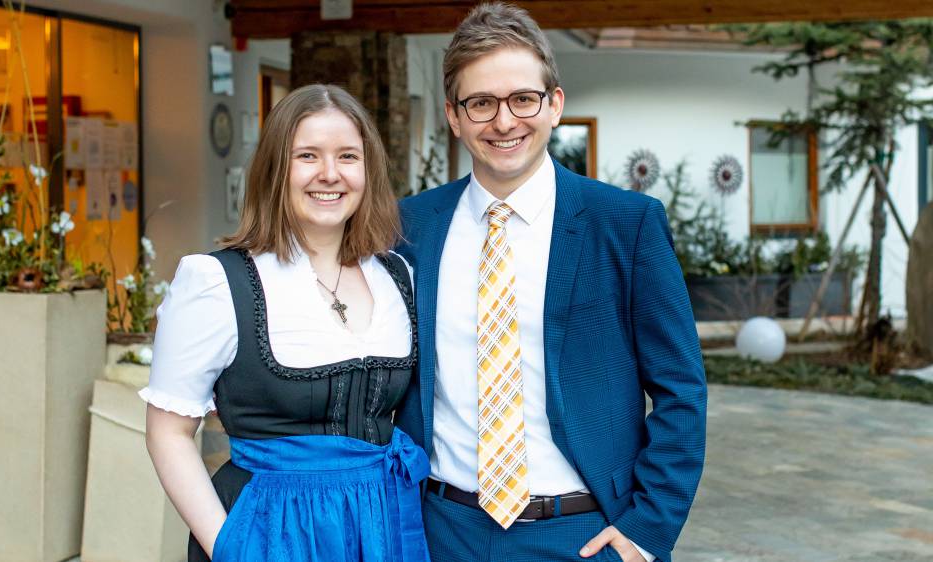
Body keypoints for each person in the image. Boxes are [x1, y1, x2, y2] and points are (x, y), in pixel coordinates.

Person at [394, 4, 707, 562]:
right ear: (454, 115)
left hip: (583, 535)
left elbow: (682, 390)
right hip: (441, 530)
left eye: (522, 99)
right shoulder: (410, 227)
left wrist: (645, 531)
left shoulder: (625, 224)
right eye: (481, 103)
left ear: (554, 104)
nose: (504, 121)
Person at [142, 84, 430, 562]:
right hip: (271, 532)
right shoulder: (217, 282)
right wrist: (231, 546)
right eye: (308, 156)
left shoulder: (399, 275)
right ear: (277, 169)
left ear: (369, 170)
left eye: (348, 157)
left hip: (383, 526)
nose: (330, 174)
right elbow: (168, 434)